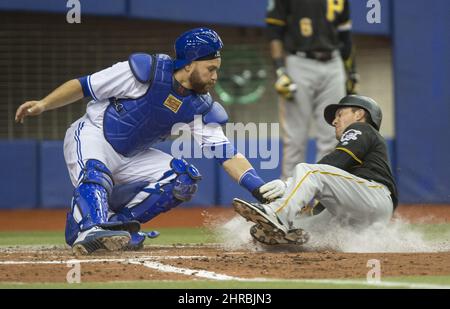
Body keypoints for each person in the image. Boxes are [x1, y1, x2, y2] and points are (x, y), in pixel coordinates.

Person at [15, 28, 278, 255]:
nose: (215, 77)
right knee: (95, 171)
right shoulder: (145, 72)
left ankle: (116, 227)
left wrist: (260, 190)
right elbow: (84, 85)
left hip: (133, 155)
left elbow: (227, 154)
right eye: (211, 69)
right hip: (93, 134)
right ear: (189, 63)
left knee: (183, 178)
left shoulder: (199, 106)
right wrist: (44, 104)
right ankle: (89, 227)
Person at [233, 95, 398, 246]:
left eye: (340, 114)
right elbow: (326, 198)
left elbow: (337, 160)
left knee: (308, 171)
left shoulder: (361, 128)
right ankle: (282, 237)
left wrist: (288, 184)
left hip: (373, 195)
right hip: (363, 212)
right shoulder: (358, 147)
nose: (334, 121)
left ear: (359, 114)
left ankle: (277, 212)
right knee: (303, 228)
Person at [266, 0, 359, 179]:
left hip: (334, 63)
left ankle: (323, 200)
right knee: (295, 138)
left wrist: (352, 71)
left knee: (332, 136)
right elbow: (274, 31)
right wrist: (279, 70)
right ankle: (289, 198)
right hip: (299, 61)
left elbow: (345, 35)